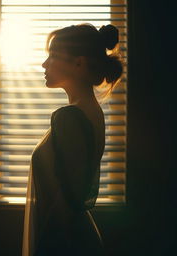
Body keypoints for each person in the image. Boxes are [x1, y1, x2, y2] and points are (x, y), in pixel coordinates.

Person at [22, 23, 123, 256]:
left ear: (79, 63)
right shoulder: (92, 111)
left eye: (53, 56)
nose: (44, 64)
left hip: (65, 242)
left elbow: (63, 204)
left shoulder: (70, 117)